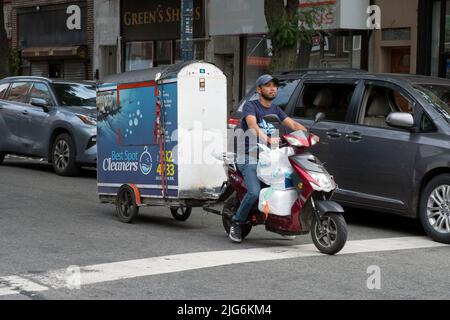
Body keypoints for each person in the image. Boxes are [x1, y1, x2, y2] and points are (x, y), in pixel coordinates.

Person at [229, 74, 319, 243]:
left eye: (274, 86)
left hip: (271, 158)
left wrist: (309, 134)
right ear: (259, 89)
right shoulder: (251, 106)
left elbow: (292, 125)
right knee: (254, 192)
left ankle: (283, 223)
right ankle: (237, 222)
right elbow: (252, 125)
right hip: (250, 157)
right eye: (268, 85)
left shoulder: (276, 110)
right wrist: (268, 139)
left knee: (290, 185)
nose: (272, 88)